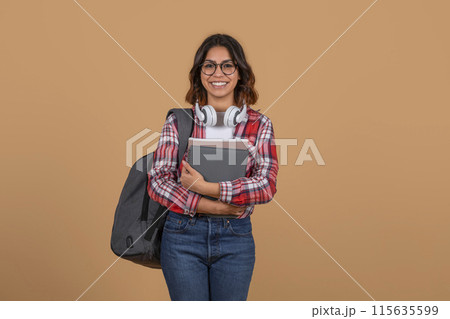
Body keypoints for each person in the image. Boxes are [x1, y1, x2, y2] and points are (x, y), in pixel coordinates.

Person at [148, 33, 279, 301]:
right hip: (182, 236)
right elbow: (158, 182)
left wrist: (207, 188)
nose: (218, 73)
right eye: (209, 65)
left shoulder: (260, 125)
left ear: (240, 73)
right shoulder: (179, 122)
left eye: (227, 65)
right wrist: (214, 206)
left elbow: (266, 185)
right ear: (199, 74)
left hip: (236, 238)